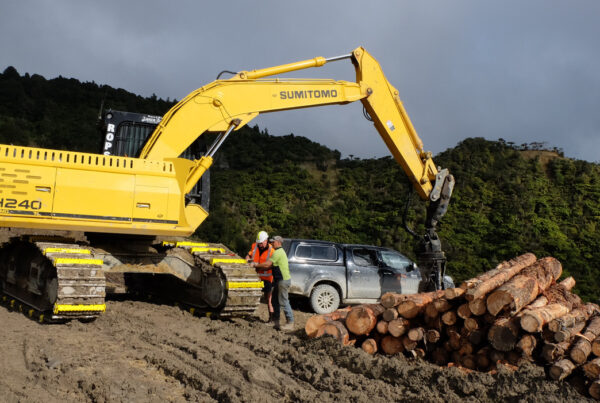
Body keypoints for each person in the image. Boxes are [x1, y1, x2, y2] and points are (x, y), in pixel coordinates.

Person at [252, 235, 294, 330]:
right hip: (279, 280)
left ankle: (290, 322)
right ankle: (275, 321)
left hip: (283, 280)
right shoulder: (279, 252)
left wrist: (256, 265)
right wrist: (257, 267)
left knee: (284, 301)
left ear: (278, 242)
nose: (271, 243)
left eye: (273, 242)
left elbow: (268, 264)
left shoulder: (278, 252)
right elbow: (269, 267)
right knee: (275, 301)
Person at [245, 231, 274, 322]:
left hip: (267, 279)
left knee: (268, 299)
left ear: (266, 241)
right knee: (250, 296)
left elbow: (268, 266)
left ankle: (272, 318)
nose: (260, 245)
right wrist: (247, 261)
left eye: (261, 243)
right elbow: (248, 255)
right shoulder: (255, 246)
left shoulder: (272, 251)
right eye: (259, 243)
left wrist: (256, 265)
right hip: (255, 277)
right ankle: (247, 314)